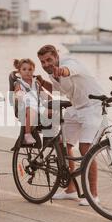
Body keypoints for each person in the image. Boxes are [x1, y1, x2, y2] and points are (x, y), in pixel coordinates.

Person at [37, 45, 103, 206]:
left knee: (85, 149)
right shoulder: (51, 72)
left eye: (49, 60)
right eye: (42, 61)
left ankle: (93, 195)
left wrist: (63, 70)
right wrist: (41, 82)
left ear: (56, 56)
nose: (46, 64)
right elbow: (58, 87)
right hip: (76, 107)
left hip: (93, 106)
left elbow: (69, 70)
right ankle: (71, 189)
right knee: (62, 145)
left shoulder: (70, 62)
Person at [13, 58, 51, 144]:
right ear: (19, 71)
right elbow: (16, 93)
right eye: (24, 69)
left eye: (30, 69)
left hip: (38, 105)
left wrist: (52, 100)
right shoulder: (19, 83)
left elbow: (43, 94)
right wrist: (19, 95)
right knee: (32, 111)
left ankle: (50, 135)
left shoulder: (36, 83)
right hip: (25, 107)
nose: (27, 72)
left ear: (33, 70)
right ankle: (27, 134)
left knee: (52, 112)